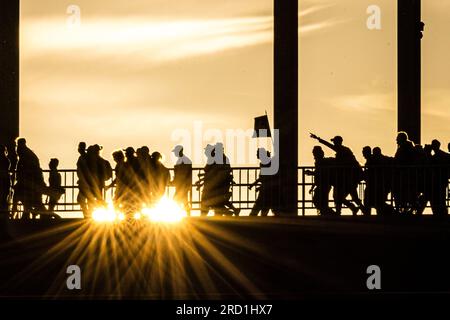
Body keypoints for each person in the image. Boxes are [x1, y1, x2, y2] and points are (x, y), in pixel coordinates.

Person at [310, 134, 363, 215]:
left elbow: (330, 147)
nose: (334, 143)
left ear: (338, 142)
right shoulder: (342, 151)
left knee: (342, 196)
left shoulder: (343, 150)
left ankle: (358, 209)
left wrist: (318, 139)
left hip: (349, 177)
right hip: (344, 178)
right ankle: (351, 209)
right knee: (340, 196)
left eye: (335, 141)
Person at [13, 138, 46, 219]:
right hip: (31, 180)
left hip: (30, 180)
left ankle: (28, 213)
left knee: (22, 195)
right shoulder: (27, 153)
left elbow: (25, 168)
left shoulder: (25, 154)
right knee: (30, 198)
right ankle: (29, 213)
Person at [393, 132, 418, 214]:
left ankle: (401, 209)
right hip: (409, 174)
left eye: (397, 139)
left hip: (405, 175)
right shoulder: (410, 148)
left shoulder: (403, 149)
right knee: (408, 193)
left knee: (401, 192)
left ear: (401, 139)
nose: (396, 141)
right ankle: (409, 208)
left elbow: (399, 160)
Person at [430, 139, 450, 217]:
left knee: (439, 197)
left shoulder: (438, 155)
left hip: (439, 179)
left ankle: (440, 213)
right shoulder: (443, 154)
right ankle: (442, 212)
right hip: (442, 179)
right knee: (441, 198)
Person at [171, 145, 192, 215]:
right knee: (183, 200)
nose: (174, 153)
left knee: (177, 199)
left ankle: (181, 214)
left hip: (182, 184)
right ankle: (187, 214)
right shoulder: (183, 160)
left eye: (175, 152)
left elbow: (182, 174)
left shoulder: (183, 160)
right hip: (182, 184)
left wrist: (175, 181)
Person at [76, 142, 88, 217]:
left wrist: (82, 178)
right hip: (83, 181)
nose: (78, 149)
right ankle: (86, 214)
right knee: (82, 199)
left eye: (79, 147)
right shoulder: (83, 157)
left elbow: (85, 169)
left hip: (84, 182)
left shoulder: (84, 157)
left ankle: (86, 214)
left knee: (81, 199)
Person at [0, 146, 11, 217]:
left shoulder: (5, 160)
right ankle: (4, 213)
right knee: (4, 197)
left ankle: (3, 213)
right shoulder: (6, 160)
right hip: (5, 180)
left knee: (3, 197)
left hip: (3, 180)